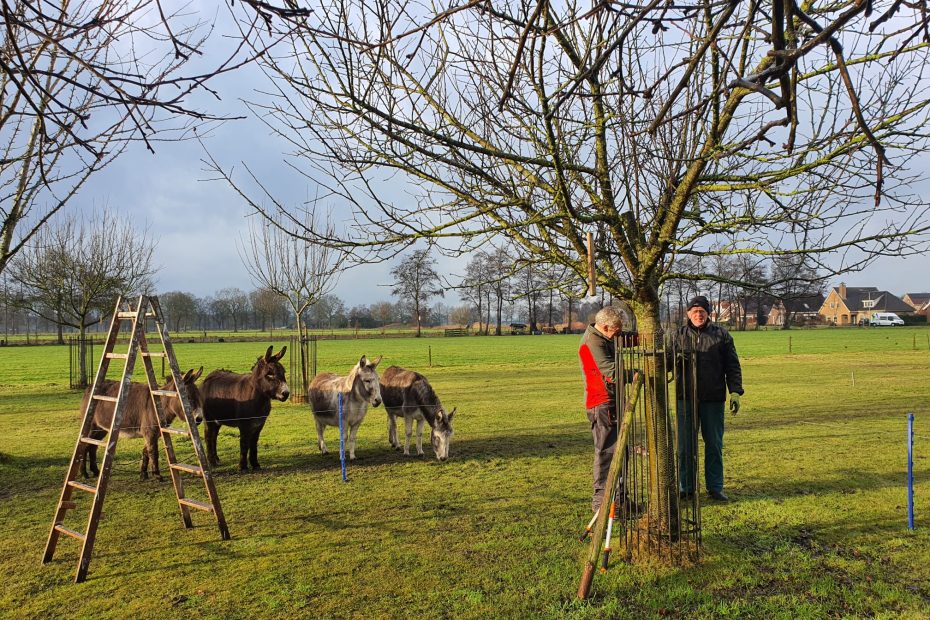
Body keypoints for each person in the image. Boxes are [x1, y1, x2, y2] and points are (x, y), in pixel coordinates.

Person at [669, 295, 744, 502]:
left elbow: (732, 365)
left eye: (702, 311)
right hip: (685, 398)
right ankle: (686, 487)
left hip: (713, 398)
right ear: (688, 314)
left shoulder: (721, 335)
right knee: (685, 446)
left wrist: (735, 391)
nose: (698, 315)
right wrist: (674, 359)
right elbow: (665, 364)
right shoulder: (678, 336)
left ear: (708, 313)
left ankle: (715, 487)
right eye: (694, 311)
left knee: (714, 445)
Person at [578, 306, 629, 513]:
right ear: (606, 327)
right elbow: (611, 372)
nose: (620, 333)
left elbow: (627, 338)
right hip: (602, 403)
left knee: (621, 450)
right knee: (607, 453)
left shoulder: (606, 337)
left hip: (612, 401)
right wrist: (639, 372)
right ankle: (601, 503)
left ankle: (620, 500)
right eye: (618, 329)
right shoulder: (594, 342)